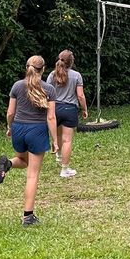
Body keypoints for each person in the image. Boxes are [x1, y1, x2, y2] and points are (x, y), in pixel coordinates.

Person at [0, 55, 58, 227]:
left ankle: (7, 164)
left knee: (22, 160)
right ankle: (28, 216)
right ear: (43, 69)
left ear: (26, 67)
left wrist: (10, 127)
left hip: (19, 128)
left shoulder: (17, 86)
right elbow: (51, 118)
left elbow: (10, 112)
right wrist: (55, 140)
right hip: (36, 130)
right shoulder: (49, 89)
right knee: (32, 175)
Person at [46, 49, 88, 178]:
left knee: (57, 133)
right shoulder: (76, 75)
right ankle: (65, 169)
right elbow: (80, 95)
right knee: (67, 140)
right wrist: (85, 109)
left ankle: (58, 155)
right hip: (70, 110)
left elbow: (46, 93)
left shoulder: (52, 75)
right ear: (72, 62)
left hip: (54, 109)